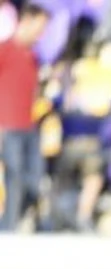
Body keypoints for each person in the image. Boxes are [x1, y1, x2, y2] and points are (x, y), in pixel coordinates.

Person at [0, 1, 50, 232]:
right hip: (7, 125)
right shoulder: (5, 50)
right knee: (14, 177)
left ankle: (15, 224)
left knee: (31, 178)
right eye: (39, 29)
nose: (41, 36)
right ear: (25, 21)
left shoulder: (32, 56)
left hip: (28, 125)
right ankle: (8, 228)